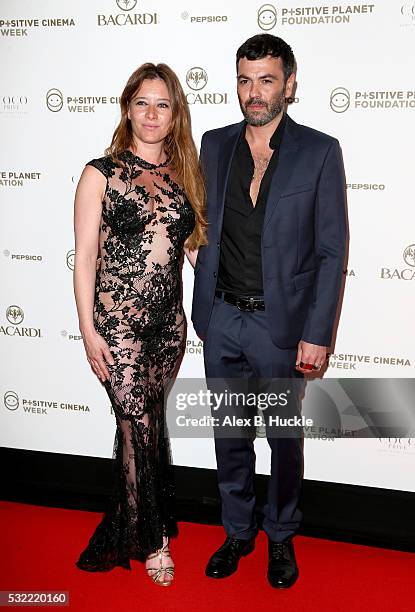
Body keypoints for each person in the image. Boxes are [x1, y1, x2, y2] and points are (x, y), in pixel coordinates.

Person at [191, 34, 347, 588]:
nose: (253, 93)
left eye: (266, 80)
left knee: (283, 439)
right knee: (229, 436)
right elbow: (192, 211)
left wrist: (317, 332)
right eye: (244, 79)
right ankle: (237, 531)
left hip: (281, 329)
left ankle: (281, 535)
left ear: (290, 83)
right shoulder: (213, 144)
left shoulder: (319, 150)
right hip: (222, 319)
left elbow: (332, 251)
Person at [73, 62, 206, 585]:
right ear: (127, 108)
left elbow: (195, 253)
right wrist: (88, 332)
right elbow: (85, 258)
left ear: (175, 113)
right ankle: (154, 540)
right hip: (118, 328)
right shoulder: (100, 173)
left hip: (167, 328)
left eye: (163, 104)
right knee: (136, 423)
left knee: (146, 428)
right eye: (142, 103)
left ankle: (134, 516)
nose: (152, 115)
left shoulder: (184, 176)